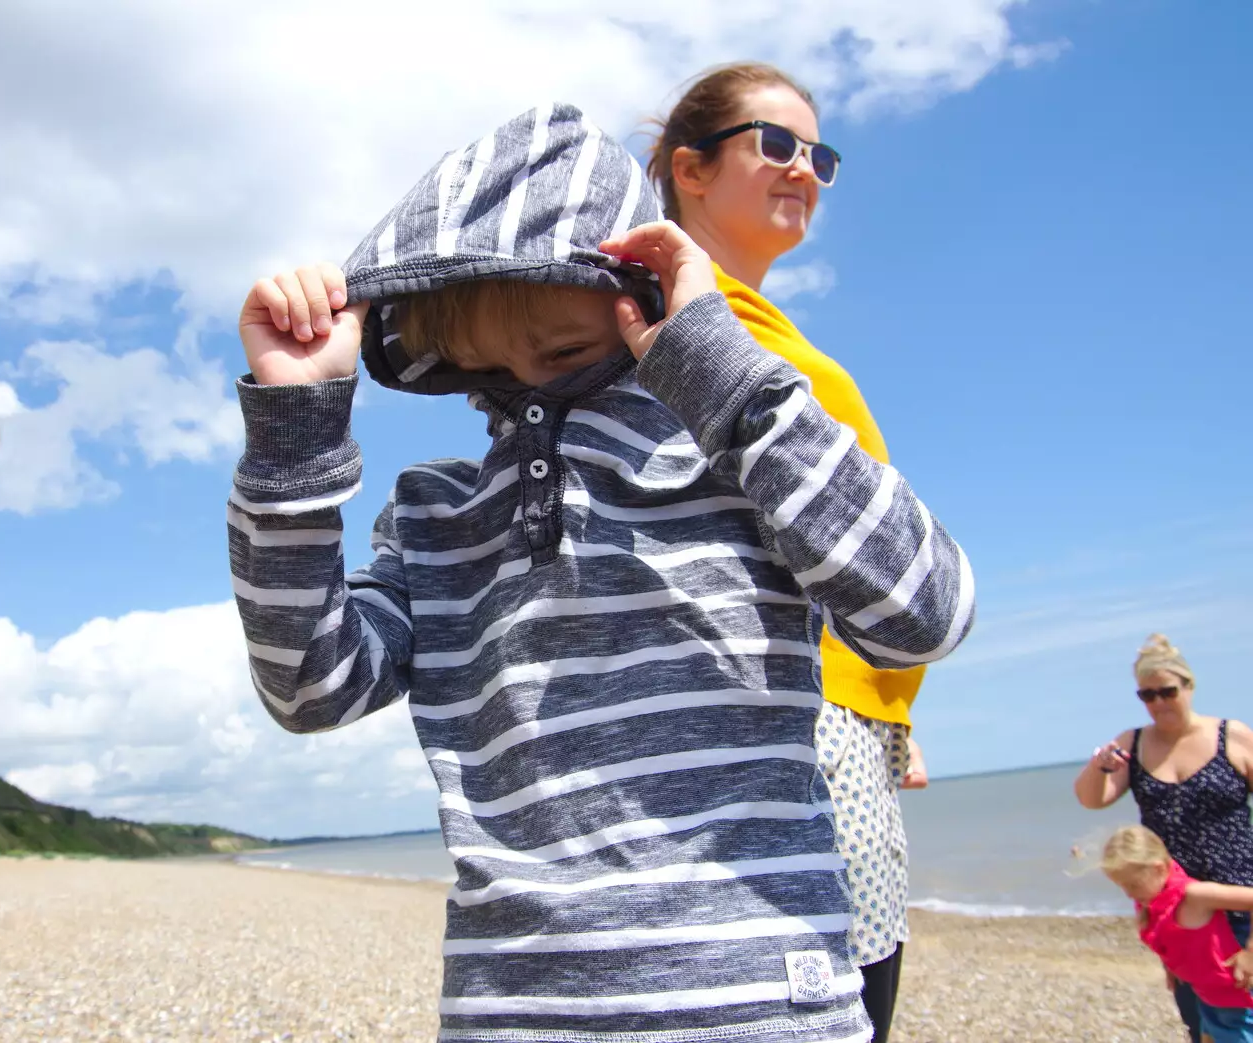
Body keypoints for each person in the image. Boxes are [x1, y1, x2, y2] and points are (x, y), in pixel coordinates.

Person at [228, 101, 974, 1043]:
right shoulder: (434, 514)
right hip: (515, 1017)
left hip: (761, 1011)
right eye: (485, 371)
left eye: (568, 352)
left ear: (646, 311)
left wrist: (727, 385)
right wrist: (298, 434)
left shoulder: (740, 458)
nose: (530, 389)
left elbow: (926, 612)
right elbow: (309, 687)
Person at [646, 61, 930, 1042]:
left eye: (821, 155)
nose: (803, 169)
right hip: (784, 709)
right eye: (775, 144)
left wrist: (887, 704)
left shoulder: (745, 321)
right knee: (830, 987)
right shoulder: (671, 314)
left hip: (843, 703)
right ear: (690, 168)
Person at [1075, 634, 1253, 1039]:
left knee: (1240, 1022)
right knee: (1202, 1023)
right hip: (1179, 913)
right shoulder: (1133, 744)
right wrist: (1098, 767)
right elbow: (1092, 799)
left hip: (1242, 901)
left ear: (1189, 686)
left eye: (1167, 692)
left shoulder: (1233, 736)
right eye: (1147, 695)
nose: (1157, 703)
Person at [1102, 825, 1253, 1042]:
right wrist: (1174, 965)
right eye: (1122, 887)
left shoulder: (1194, 895)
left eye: (1133, 885)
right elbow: (1174, 936)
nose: (1128, 894)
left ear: (1158, 869)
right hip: (1208, 998)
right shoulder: (1152, 902)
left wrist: (1250, 952)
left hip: (1239, 999)